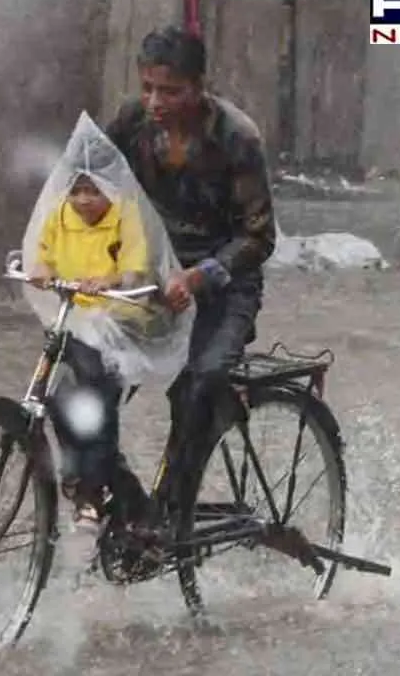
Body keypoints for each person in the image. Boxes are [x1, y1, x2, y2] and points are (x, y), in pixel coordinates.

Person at [104, 25, 277, 520]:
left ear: (199, 87)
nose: (156, 101)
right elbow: (91, 179)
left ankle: (175, 519)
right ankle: (126, 503)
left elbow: (259, 237)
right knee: (93, 377)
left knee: (198, 385)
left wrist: (200, 277)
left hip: (225, 285)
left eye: (171, 91)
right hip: (154, 274)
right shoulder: (132, 122)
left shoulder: (236, 136)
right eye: (148, 88)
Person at [27, 169, 153, 527]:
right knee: (53, 396)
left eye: (93, 192)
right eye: (77, 191)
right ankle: (119, 498)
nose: (83, 200)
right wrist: (40, 269)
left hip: (116, 327)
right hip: (73, 321)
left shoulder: (124, 217)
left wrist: (108, 280)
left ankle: (91, 493)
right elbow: (45, 252)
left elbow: (135, 267)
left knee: (98, 410)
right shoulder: (60, 217)